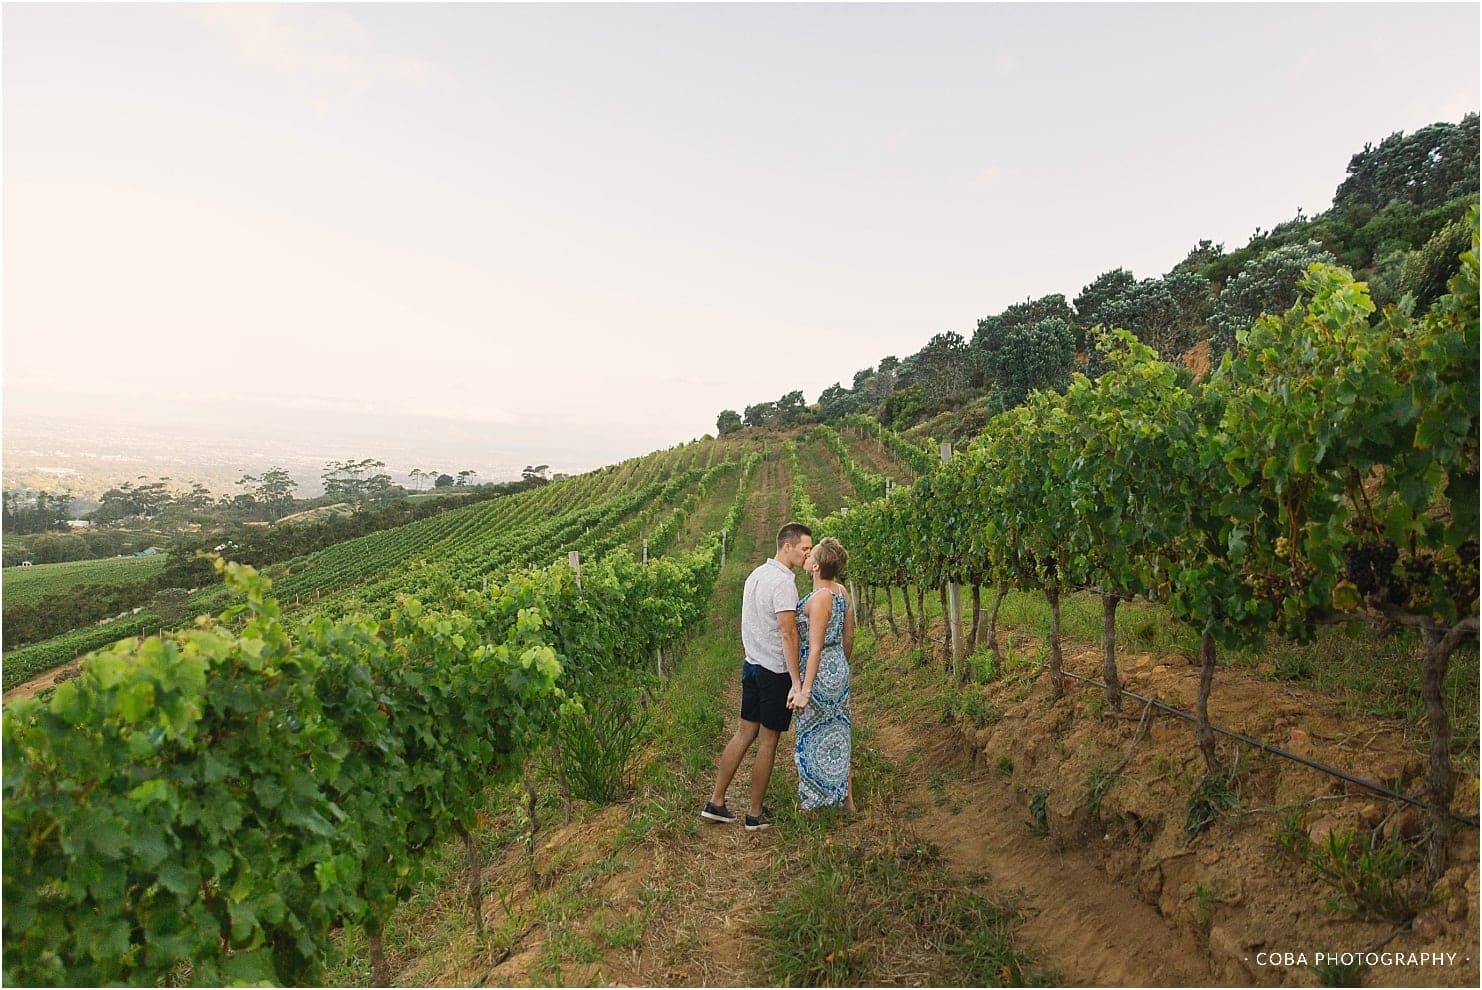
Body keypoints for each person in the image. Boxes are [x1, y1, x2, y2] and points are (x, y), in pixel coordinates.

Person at [702, 522, 813, 831]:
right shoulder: (784, 584)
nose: (808, 554)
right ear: (787, 547)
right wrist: (796, 681)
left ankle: (716, 801)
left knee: (743, 734)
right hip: (774, 671)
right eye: (804, 549)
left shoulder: (756, 575)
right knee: (768, 741)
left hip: (752, 665)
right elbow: (788, 633)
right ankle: (754, 813)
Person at [792, 537, 856, 812]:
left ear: (816, 566)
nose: (806, 556)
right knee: (839, 730)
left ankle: (817, 800)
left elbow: (816, 647)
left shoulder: (820, 598)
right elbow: (849, 635)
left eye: (811, 555)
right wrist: (841, 664)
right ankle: (846, 799)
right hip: (837, 665)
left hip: (817, 672)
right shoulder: (841, 592)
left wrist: (805, 689)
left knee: (813, 732)